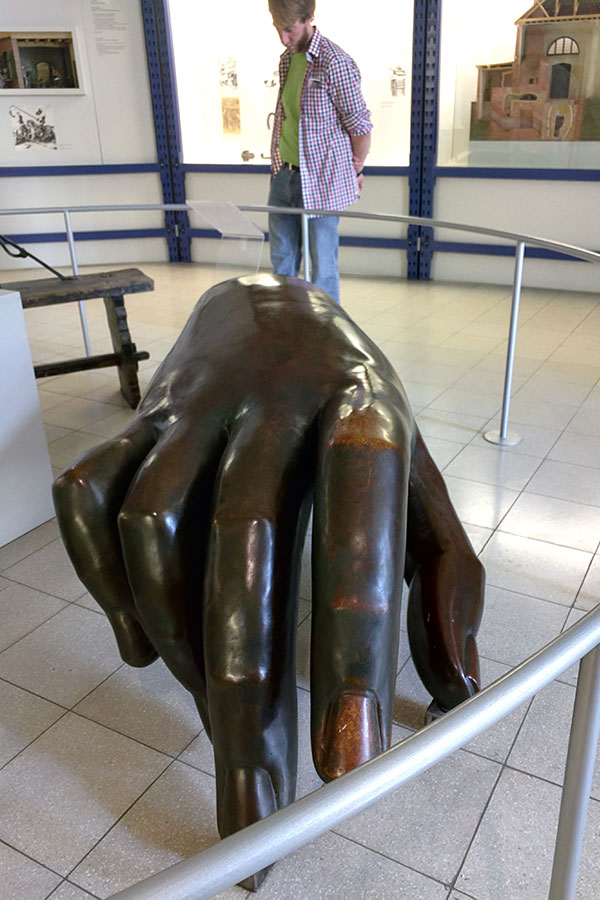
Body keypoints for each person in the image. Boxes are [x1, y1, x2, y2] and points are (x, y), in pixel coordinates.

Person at [53, 275, 484, 890]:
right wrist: (239, 317)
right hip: (233, 345)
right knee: (211, 522)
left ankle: (253, 770)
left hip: (301, 343)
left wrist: (291, 316)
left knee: (260, 509)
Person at [267, 0, 372, 303]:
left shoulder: (334, 62)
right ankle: (286, 330)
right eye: (277, 29)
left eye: (289, 29)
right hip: (284, 177)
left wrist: (357, 169)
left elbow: (360, 126)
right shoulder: (287, 60)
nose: (284, 39)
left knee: (322, 269)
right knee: (282, 264)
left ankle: (326, 342)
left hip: (322, 183)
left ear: (309, 18)